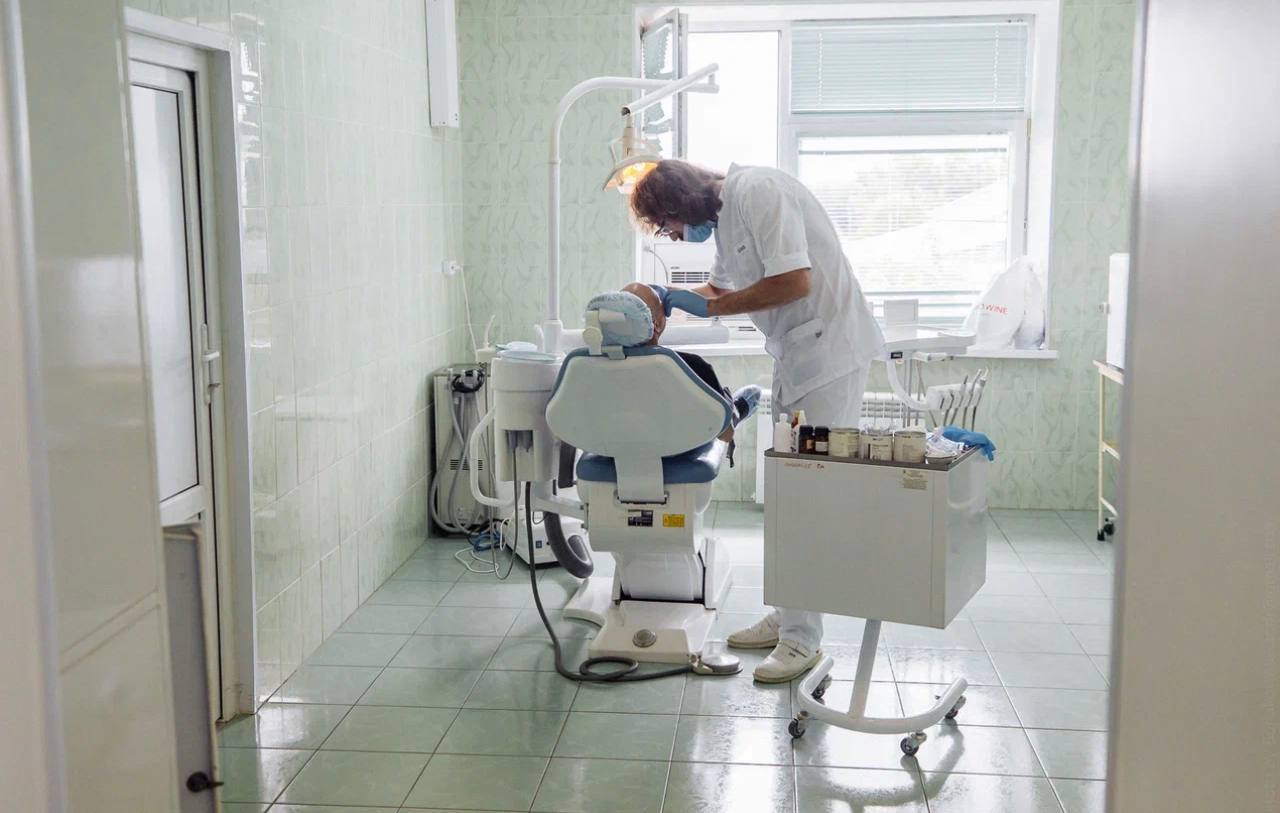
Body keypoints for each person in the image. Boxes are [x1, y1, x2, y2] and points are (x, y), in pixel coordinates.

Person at [629, 160, 886, 683]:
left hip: (831, 357)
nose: (673, 235)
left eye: (667, 224)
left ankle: (802, 638)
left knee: (810, 497)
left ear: (681, 201)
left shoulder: (758, 191)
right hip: (798, 356)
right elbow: (719, 290)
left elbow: (792, 281)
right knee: (790, 494)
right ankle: (789, 614)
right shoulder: (727, 220)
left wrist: (707, 308)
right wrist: (663, 297)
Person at [586, 284, 761, 450]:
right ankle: (735, 409)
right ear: (657, 324)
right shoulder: (692, 367)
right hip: (679, 453)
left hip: (614, 453)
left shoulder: (591, 368)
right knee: (745, 400)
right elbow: (725, 435)